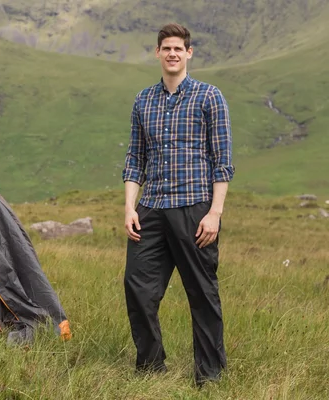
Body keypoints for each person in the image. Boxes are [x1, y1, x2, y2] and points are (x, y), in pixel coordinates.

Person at [122, 23, 234, 387]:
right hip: (151, 208)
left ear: (189, 53)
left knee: (201, 293)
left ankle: (211, 376)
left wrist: (215, 212)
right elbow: (135, 158)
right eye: (166, 48)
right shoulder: (143, 100)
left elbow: (222, 160)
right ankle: (151, 367)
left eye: (178, 48)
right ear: (157, 53)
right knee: (137, 286)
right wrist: (129, 207)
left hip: (194, 209)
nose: (172, 53)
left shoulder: (208, 97)